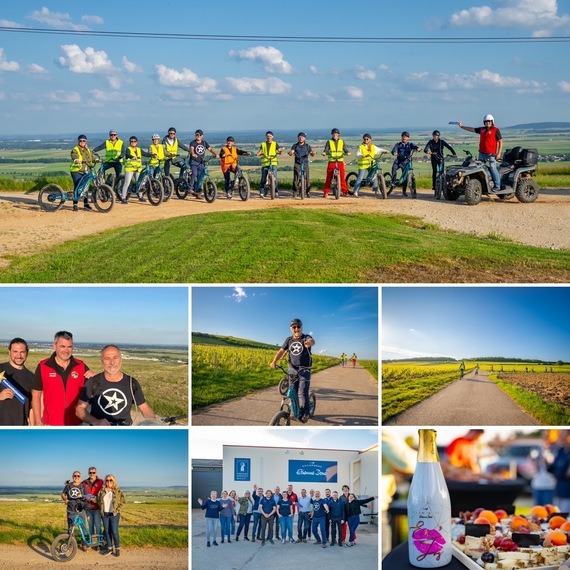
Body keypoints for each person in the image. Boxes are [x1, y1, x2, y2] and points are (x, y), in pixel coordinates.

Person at [76, 344, 156, 426]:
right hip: (98, 433)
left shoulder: (132, 383)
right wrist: (95, 421)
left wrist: (153, 426)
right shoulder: (93, 382)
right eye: (107, 358)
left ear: (121, 359)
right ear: (101, 360)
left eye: (115, 357)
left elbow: (145, 408)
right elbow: (79, 409)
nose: (112, 362)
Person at [32, 331, 91, 426]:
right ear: (54, 346)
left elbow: (94, 388)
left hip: (75, 423)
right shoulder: (43, 366)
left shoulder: (81, 366)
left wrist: (93, 376)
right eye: (62, 346)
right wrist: (38, 421)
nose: (66, 350)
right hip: (50, 423)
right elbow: (36, 395)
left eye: (69, 347)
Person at [270, 318, 315, 423]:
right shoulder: (289, 340)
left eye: (298, 326)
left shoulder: (305, 337)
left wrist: (309, 343)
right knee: (293, 391)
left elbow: (312, 341)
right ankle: (296, 410)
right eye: (294, 327)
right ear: (291, 329)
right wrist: (274, 361)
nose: (296, 329)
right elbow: (281, 351)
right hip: (292, 370)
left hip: (305, 370)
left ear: (301, 327)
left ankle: (306, 412)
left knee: (303, 392)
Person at [458, 115, 503, 189]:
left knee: (493, 168)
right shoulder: (482, 129)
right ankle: (487, 183)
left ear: (492, 121)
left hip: (491, 154)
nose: (487, 123)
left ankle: (497, 186)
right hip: (481, 153)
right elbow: (472, 129)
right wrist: (462, 126)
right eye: (486, 121)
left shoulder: (496, 130)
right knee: (480, 168)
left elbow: (500, 141)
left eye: (489, 121)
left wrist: (499, 153)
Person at [0, 337, 34, 426]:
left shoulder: (32, 377)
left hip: (21, 430)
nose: (19, 356)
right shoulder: (0, 369)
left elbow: (31, 409)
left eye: (22, 352)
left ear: (27, 353)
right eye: (15, 352)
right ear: (9, 352)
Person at [119, 136, 154, 204]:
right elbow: (127, 155)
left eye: (134, 141)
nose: (133, 142)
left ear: (136, 142)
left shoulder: (138, 149)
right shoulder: (128, 149)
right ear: (130, 142)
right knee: (127, 183)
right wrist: (132, 157)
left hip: (137, 168)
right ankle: (123, 198)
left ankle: (140, 197)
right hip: (130, 169)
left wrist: (152, 155)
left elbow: (145, 154)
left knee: (139, 183)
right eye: (132, 141)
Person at [97, 473, 125, 557]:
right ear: (105, 481)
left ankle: (117, 548)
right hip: (104, 514)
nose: (109, 482)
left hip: (114, 514)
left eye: (110, 480)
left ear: (113, 481)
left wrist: (117, 510)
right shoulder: (102, 491)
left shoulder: (117, 490)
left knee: (114, 531)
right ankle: (109, 548)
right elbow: (97, 500)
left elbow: (122, 501)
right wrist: (87, 499)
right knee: (107, 531)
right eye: (107, 480)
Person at [189, 129, 218, 198]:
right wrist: (193, 154)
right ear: (195, 135)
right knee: (194, 173)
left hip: (201, 163)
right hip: (194, 162)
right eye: (197, 135)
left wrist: (216, 154)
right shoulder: (193, 142)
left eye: (200, 135)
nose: (198, 136)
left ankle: (197, 192)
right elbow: (191, 149)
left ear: (202, 136)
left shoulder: (204, 143)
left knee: (200, 177)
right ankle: (190, 188)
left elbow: (210, 149)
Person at [322, 128, 350, 197]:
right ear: (332, 134)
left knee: (342, 177)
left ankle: (345, 192)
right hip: (332, 161)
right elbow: (326, 149)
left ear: (338, 134)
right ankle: (326, 192)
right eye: (334, 133)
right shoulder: (329, 142)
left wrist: (347, 152)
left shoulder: (342, 141)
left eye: (336, 133)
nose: (335, 135)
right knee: (329, 177)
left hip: (340, 160)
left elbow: (345, 149)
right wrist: (325, 153)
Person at [69, 134, 95, 211]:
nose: (82, 142)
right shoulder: (75, 149)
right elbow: (73, 155)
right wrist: (76, 160)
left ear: (86, 141)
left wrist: (97, 160)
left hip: (86, 171)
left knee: (86, 187)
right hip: (77, 171)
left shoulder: (88, 150)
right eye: (80, 140)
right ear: (78, 141)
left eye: (84, 140)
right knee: (78, 186)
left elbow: (92, 157)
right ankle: (75, 204)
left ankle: (86, 204)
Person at [61, 470, 88, 542]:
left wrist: (84, 497)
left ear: (80, 477)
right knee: (70, 527)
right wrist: (65, 499)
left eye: (78, 476)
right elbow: (63, 494)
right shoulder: (68, 486)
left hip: (80, 510)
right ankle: (71, 543)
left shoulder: (83, 486)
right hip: (71, 509)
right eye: (75, 476)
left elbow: (87, 496)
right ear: (72, 477)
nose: (76, 477)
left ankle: (84, 543)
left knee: (83, 527)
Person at [82, 466, 104, 549]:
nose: (92, 474)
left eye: (93, 472)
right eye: (90, 473)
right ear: (88, 473)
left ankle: (99, 543)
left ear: (96, 473)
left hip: (97, 507)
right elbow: (79, 491)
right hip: (88, 508)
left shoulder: (101, 481)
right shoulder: (84, 482)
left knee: (98, 526)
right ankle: (91, 542)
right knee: (90, 525)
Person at [548, 429, 570, 512]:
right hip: (558, 491)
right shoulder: (561, 450)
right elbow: (553, 468)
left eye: (563, 433)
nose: (560, 436)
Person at [288, 132, 316, 198]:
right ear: (298, 138)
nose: (301, 138)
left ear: (305, 138)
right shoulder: (295, 146)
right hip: (297, 162)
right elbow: (292, 151)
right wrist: (291, 153)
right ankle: (295, 191)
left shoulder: (307, 146)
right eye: (299, 137)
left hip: (305, 162)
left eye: (302, 137)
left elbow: (311, 153)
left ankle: (308, 192)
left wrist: (313, 153)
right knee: (296, 177)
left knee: (307, 177)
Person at [256, 131, 283, 198]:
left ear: (272, 137)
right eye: (267, 136)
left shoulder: (275, 144)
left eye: (270, 136)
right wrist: (259, 153)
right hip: (265, 163)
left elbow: (279, 150)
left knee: (275, 178)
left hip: (273, 162)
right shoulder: (263, 144)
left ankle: (276, 192)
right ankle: (262, 192)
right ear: (266, 137)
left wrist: (281, 152)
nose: (269, 137)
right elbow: (260, 151)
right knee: (263, 178)